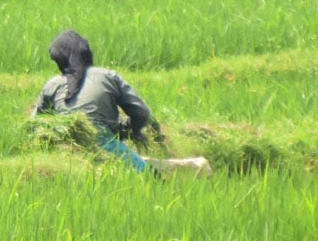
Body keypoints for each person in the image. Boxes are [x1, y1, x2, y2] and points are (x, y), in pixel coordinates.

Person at [31, 30, 210, 176]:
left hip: (65, 149)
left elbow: (36, 124)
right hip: (103, 142)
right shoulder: (108, 76)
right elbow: (142, 113)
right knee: (152, 179)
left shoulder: (52, 85)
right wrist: (127, 130)